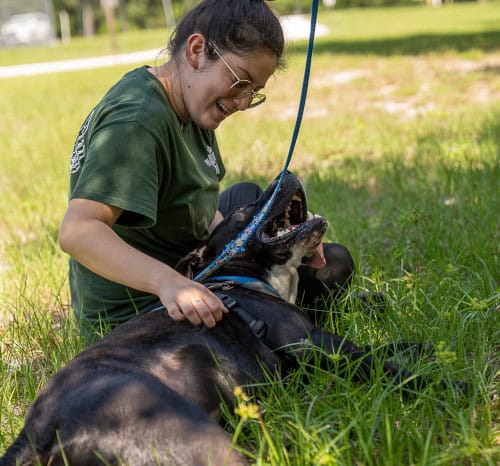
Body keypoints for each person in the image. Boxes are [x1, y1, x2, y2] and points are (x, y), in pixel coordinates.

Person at [59, 0, 354, 338]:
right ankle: (293, 316)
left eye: (254, 92)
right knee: (334, 266)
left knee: (248, 197)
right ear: (197, 50)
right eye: (240, 82)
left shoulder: (189, 103)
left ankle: (289, 299)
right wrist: (171, 284)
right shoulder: (138, 121)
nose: (243, 103)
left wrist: (284, 233)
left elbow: (201, 212)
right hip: (141, 311)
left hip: (189, 264)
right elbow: (78, 231)